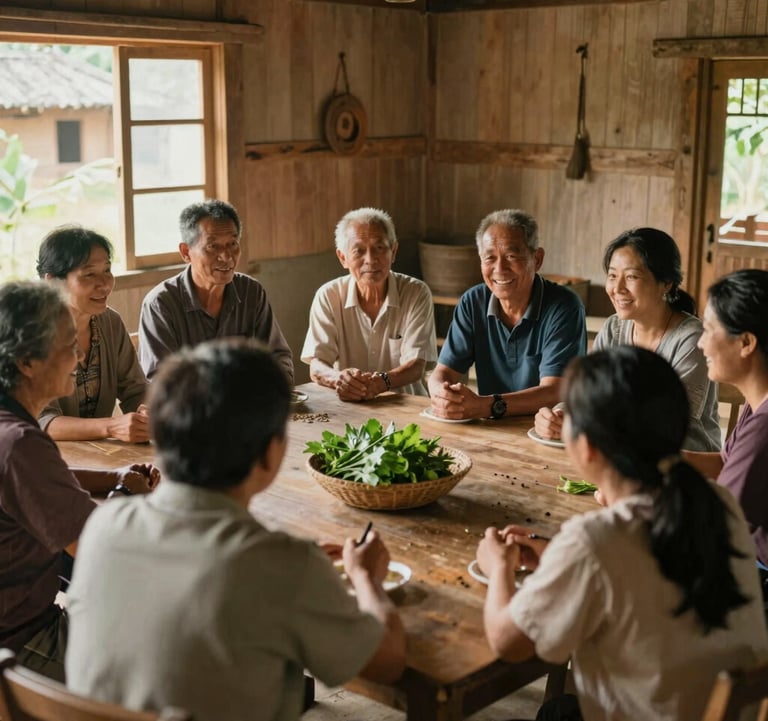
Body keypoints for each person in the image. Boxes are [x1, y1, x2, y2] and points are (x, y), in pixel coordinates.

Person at [65, 338, 406, 721]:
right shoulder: (281, 564)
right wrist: (365, 577)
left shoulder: (104, 526)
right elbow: (387, 664)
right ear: (271, 452)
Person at [476, 346, 767, 721]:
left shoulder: (594, 540)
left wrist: (499, 566)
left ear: (588, 447)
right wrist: (559, 556)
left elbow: (507, 642)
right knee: (560, 711)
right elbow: (641, 567)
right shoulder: (715, 501)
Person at [0, 282, 158, 682]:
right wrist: (126, 494)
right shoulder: (20, 444)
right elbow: (100, 547)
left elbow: (40, 482)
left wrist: (114, 476)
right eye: (69, 346)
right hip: (21, 642)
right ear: (27, 362)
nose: (81, 355)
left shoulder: (11, 432)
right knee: (173, 653)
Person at [534, 227, 720, 452]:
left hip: (682, 464)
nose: (617, 288)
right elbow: (587, 393)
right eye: (612, 276)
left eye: (631, 276)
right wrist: (560, 415)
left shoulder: (692, 339)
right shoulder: (614, 327)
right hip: (618, 454)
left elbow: (668, 422)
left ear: (667, 282)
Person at [428, 209, 586, 420]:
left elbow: (553, 392)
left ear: (537, 259)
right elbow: (444, 372)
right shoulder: (473, 301)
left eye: (511, 256)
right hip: (489, 427)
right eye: (490, 257)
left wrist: (484, 407)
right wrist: (442, 395)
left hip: (545, 429)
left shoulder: (565, 306)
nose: (499, 268)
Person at [138, 199, 293, 382]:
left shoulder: (251, 292)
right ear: (186, 252)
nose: (226, 257)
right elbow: (163, 383)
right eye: (213, 246)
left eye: (232, 244)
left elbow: (279, 360)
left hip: (249, 406)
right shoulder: (160, 304)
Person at [301, 207, 437, 400]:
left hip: (405, 405)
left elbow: (416, 366)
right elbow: (317, 365)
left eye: (379, 248)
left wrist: (381, 382)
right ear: (343, 258)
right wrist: (339, 378)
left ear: (394, 251)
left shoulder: (416, 292)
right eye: (359, 251)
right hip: (349, 406)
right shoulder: (328, 296)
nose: (370, 260)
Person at [686, 269, 768, 572]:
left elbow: (717, 520)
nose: (700, 344)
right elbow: (727, 463)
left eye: (708, 330)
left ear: (746, 342)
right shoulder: (758, 399)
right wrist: (658, 459)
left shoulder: (764, 429)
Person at [36, 225, 149, 442]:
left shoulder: (110, 322)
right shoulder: (31, 333)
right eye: (89, 274)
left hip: (99, 456)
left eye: (107, 270)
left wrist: (147, 413)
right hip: (38, 458)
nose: (105, 284)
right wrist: (113, 427)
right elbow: (42, 422)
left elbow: (135, 390)